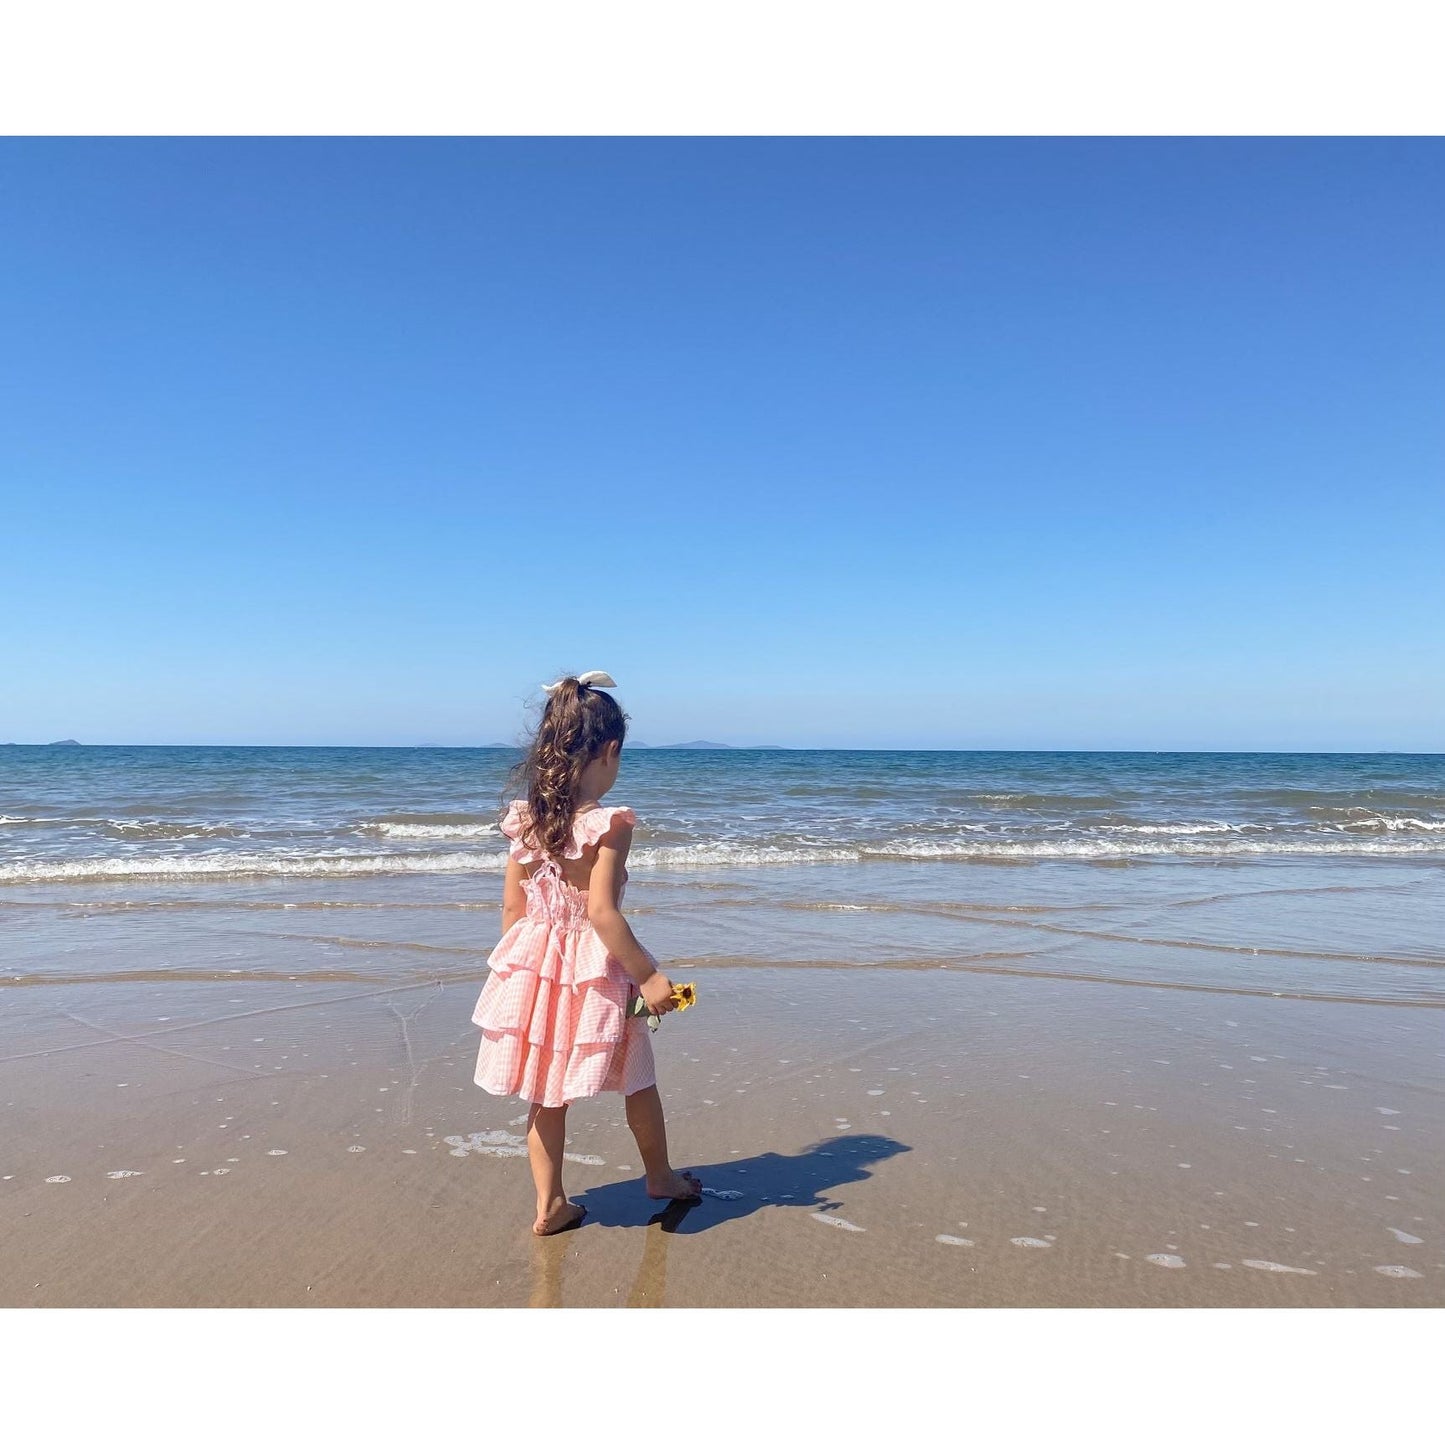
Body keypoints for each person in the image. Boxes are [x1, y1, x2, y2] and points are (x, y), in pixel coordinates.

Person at [472, 670, 702, 1235]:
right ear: (611, 751)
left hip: (534, 966)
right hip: (594, 968)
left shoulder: (525, 821)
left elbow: (512, 909)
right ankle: (661, 1176)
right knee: (637, 1078)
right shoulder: (609, 824)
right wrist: (648, 976)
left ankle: (550, 1205)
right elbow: (602, 912)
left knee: (546, 1093)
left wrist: (518, 972)